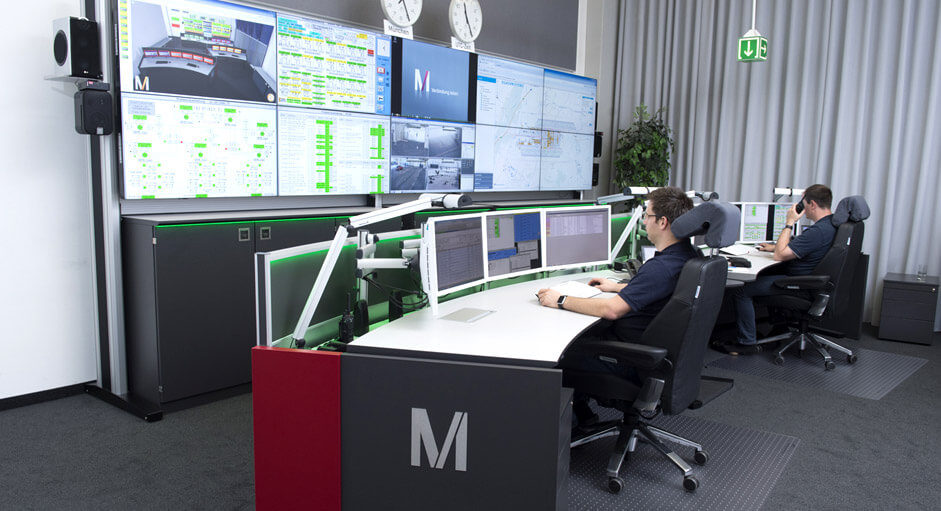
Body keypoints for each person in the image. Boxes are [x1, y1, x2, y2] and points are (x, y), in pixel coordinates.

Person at [535, 186, 698, 426]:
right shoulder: (688, 256)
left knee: (563, 353)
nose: (644, 221)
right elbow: (668, 292)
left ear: (662, 222)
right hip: (663, 359)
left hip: (637, 363)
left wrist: (559, 300)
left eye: (647, 215)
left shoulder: (661, 267)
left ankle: (571, 422)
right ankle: (582, 414)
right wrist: (618, 288)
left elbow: (611, 310)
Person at [718, 184, 837, 354]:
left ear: (812, 204)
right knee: (768, 274)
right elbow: (803, 248)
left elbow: (780, 257)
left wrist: (789, 222)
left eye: (803, 204)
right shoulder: (830, 225)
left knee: (742, 290)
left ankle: (746, 343)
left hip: (799, 285)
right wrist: (774, 247)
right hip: (811, 283)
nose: (801, 208)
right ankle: (779, 327)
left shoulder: (818, 231)